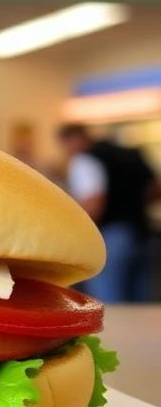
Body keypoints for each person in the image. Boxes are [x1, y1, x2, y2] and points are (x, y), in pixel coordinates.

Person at [56, 123, 159, 303]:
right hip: (144, 234)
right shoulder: (133, 154)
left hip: (112, 238)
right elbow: (156, 189)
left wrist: (72, 237)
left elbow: (94, 203)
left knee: (111, 305)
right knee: (143, 308)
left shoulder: (86, 159)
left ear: (72, 140)